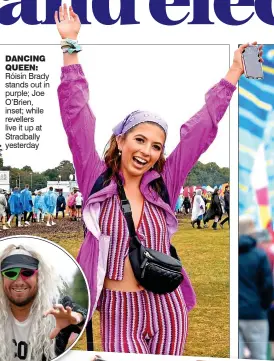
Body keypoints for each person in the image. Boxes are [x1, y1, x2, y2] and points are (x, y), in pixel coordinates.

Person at [55, 4, 256, 354]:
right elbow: (77, 117)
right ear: (120, 142)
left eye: (156, 146)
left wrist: (233, 75)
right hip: (119, 310)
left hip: (168, 305)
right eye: (139, 139)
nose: (147, 151)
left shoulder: (163, 182)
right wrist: (70, 47)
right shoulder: (96, 180)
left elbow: (200, 130)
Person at [0, 244, 87, 361]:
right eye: (11, 273)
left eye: (27, 273)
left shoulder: (57, 309)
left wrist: (77, 319)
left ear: (39, 277)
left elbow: (82, 315)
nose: (19, 281)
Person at [239, 215, 273, 360]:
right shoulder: (260, 254)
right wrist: (263, 306)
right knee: (259, 356)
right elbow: (268, 286)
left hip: (237, 314)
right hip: (256, 314)